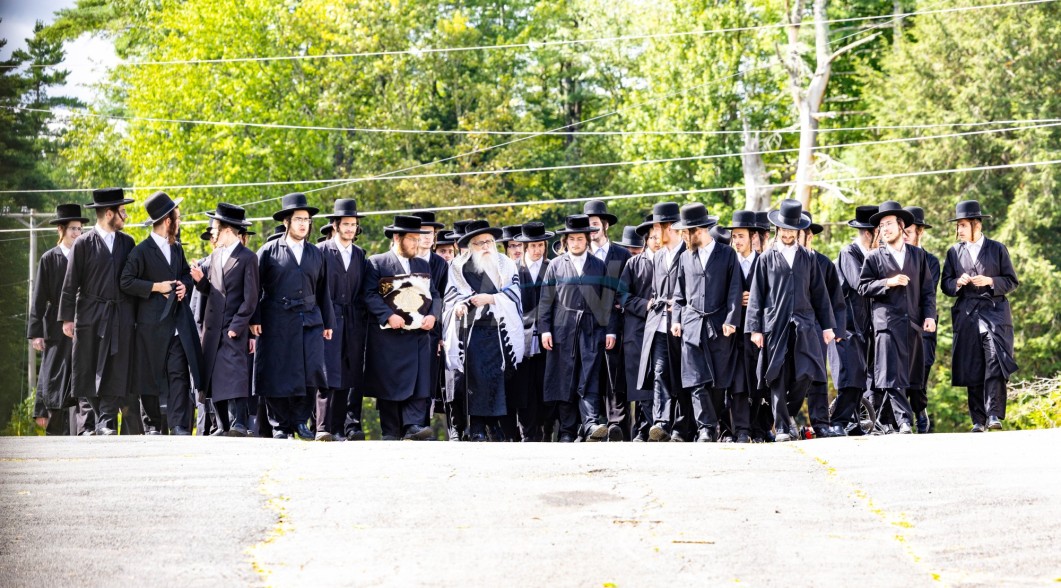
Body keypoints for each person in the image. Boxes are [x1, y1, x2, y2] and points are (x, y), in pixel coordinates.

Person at [746, 199, 835, 442]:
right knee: (777, 376)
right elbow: (757, 294)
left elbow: (820, 294)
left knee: (806, 374)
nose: (787, 234)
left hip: (804, 325)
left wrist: (828, 326)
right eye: (783, 230)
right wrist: (755, 329)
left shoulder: (808, 258)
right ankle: (783, 428)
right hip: (775, 325)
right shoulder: (766, 258)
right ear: (778, 229)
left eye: (791, 231)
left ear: (798, 231)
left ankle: (787, 412)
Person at [250, 193, 335, 440]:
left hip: (310, 319)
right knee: (276, 370)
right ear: (286, 221)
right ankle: (280, 425)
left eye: (307, 220)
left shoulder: (316, 253)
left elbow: (323, 290)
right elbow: (255, 288)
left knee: (311, 370)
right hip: (276, 319)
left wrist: (328, 322)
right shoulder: (268, 251)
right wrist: (254, 319)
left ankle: (301, 421)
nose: (303, 224)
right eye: (298, 219)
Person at [121, 191, 202, 435]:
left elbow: (185, 274)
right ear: (168, 221)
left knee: (178, 373)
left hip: (177, 324)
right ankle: (152, 425)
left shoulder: (177, 249)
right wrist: (157, 287)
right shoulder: (141, 251)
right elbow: (126, 281)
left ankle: (178, 425)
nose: (180, 222)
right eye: (178, 217)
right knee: (150, 376)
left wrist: (184, 285)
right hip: (151, 325)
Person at [59, 187, 138, 435]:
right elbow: (70, 283)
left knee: (115, 368)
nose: (125, 216)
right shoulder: (83, 244)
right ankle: (97, 419)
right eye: (122, 211)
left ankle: (106, 422)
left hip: (119, 316)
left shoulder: (128, 243)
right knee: (87, 369)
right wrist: (67, 319)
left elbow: (133, 281)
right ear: (109, 213)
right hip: (89, 315)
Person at [858, 201, 937, 434]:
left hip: (912, 324)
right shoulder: (874, 257)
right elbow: (863, 287)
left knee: (911, 375)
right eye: (881, 226)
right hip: (886, 324)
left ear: (901, 226)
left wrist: (929, 316)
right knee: (891, 374)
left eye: (889, 224)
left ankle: (886, 421)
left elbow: (927, 290)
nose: (885, 229)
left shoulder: (918, 256)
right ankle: (904, 421)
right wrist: (887, 282)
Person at [940, 200, 1019, 432]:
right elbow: (945, 284)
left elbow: (1012, 281)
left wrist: (991, 281)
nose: (959, 230)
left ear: (977, 224)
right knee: (972, 365)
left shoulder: (997, 249)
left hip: (995, 313)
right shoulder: (954, 252)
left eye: (963, 225)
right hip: (967, 314)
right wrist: (957, 282)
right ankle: (978, 420)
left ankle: (993, 414)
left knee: (995, 359)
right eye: (958, 226)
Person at [442, 221, 524, 441]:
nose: (486, 246)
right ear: (471, 246)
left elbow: (515, 293)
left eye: (489, 241)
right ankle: (477, 425)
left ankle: (494, 425)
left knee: (497, 378)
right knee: (475, 378)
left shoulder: (506, 264)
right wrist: (460, 306)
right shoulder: (459, 266)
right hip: (472, 331)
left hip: (499, 330)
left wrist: (492, 298)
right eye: (480, 243)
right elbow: (453, 295)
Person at [362, 215, 440, 440]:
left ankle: (413, 425)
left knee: (418, 381)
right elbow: (368, 294)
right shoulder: (377, 262)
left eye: (418, 239)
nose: (417, 244)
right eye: (412, 239)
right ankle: (391, 431)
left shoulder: (422, 264)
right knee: (389, 383)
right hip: (389, 337)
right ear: (397, 238)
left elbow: (434, 295)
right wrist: (388, 316)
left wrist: (433, 315)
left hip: (417, 335)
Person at [671, 203, 742, 443]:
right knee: (695, 379)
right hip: (692, 326)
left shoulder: (727, 254)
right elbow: (678, 295)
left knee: (718, 381)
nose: (683, 236)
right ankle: (705, 428)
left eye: (686, 232)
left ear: (699, 230)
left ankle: (717, 426)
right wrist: (676, 319)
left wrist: (731, 320)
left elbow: (734, 290)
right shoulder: (684, 257)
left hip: (719, 325)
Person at [539, 214, 613, 442]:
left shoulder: (599, 266)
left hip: (591, 329)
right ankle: (567, 431)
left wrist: (609, 330)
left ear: (587, 240)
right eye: (572, 239)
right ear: (566, 241)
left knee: (589, 376)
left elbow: (607, 302)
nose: (576, 243)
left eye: (580, 239)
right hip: (562, 330)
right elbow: (545, 300)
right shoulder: (555, 265)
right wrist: (545, 329)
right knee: (565, 380)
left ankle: (590, 425)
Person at [190, 203, 259, 436]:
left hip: (232, 327)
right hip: (212, 328)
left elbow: (251, 298)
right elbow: (211, 290)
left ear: (227, 230)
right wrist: (199, 280)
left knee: (235, 374)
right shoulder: (215, 255)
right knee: (213, 375)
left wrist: (237, 325)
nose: (212, 233)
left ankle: (239, 422)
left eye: (215, 229)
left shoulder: (247, 258)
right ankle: (222, 425)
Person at [29, 204, 90, 435]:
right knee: (54, 376)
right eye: (73, 228)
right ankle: (54, 430)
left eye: (80, 229)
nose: (77, 233)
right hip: (54, 327)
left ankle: (81, 430)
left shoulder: (85, 257)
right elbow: (38, 298)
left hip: (81, 322)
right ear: (61, 229)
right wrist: (36, 333)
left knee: (80, 377)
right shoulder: (49, 258)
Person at [314, 199, 369, 442]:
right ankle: (322, 427)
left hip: (354, 320)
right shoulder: (321, 251)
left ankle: (337, 428)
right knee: (327, 372)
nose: (350, 229)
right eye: (345, 224)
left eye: (353, 224)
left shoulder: (360, 254)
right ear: (335, 225)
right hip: (328, 318)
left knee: (348, 372)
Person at [634, 202, 687, 442]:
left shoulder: (688, 253)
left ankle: (682, 427)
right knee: (659, 372)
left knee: (683, 375)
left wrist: (678, 305)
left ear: (670, 227)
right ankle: (661, 423)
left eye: (657, 228)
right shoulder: (657, 257)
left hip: (682, 324)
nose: (654, 234)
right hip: (658, 324)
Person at [828, 205, 878, 434]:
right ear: (869, 233)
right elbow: (860, 284)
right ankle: (839, 421)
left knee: (859, 377)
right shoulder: (849, 253)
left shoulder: (871, 255)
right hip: (845, 326)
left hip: (863, 327)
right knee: (849, 376)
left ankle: (853, 422)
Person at [583, 200, 629, 440]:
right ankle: (592, 426)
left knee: (614, 377)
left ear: (605, 225)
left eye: (595, 224)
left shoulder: (621, 254)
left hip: (615, 326)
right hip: (586, 327)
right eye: (588, 225)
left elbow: (625, 291)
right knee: (590, 376)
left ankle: (617, 426)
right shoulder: (580, 255)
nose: (592, 230)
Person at [799, 211, 847, 438]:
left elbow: (836, 299)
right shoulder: (781, 260)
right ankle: (785, 423)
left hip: (818, 327)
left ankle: (820, 423)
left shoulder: (823, 263)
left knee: (818, 375)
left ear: (809, 236)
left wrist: (837, 329)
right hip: (790, 325)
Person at [512, 222, 554, 441]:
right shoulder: (513, 270)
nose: (537, 250)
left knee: (545, 388)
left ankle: (547, 432)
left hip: (548, 338)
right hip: (522, 339)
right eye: (533, 246)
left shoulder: (553, 267)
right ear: (525, 246)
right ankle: (527, 435)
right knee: (524, 391)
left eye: (541, 245)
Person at [724, 210, 762, 443]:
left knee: (758, 382)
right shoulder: (727, 262)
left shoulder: (764, 262)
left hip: (759, 332)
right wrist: (735, 299)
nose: (737, 241)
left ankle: (759, 428)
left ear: (753, 236)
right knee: (737, 382)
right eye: (734, 236)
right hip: (733, 333)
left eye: (741, 236)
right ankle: (740, 430)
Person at [903, 206, 940, 433]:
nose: (904, 236)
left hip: (923, 322)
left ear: (920, 232)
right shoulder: (893, 257)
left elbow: (927, 292)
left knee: (921, 370)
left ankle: (920, 409)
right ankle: (903, 417)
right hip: (900, 322)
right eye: (902, 231)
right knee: (900, 370)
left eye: (908, 232)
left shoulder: (931, 261)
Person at [617, 224, 654, 441]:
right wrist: (645, 305)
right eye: (652, 238)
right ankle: (642, 429)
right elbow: (622, 295)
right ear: (646, 241)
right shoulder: (633, 264)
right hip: (637, 329)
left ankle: (656, 426)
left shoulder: (671, 261)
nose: (656, 242)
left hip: (664, 329)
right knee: (639, 383)